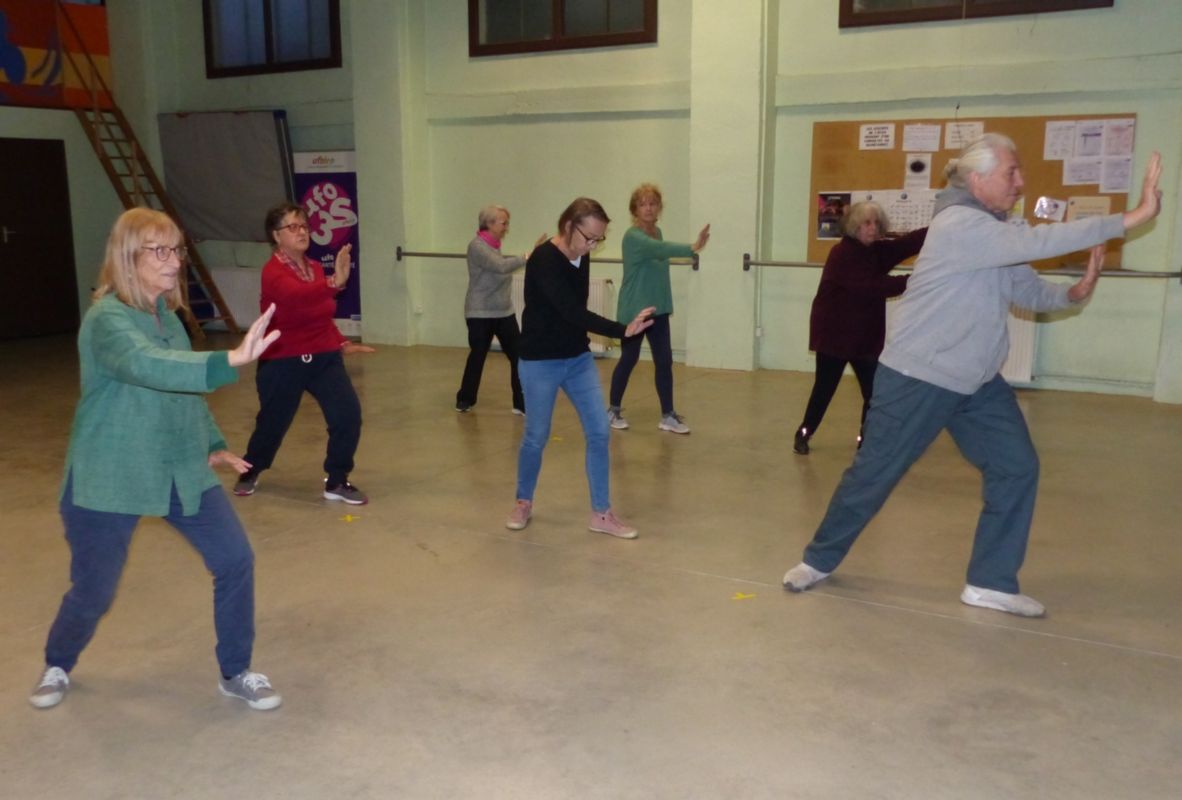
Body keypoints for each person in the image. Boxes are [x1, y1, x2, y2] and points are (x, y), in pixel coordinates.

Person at [783, 135, 1162, 617]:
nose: (1020, 182)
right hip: (919, 373)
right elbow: (1039, 241)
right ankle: (818, 560)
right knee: (874, 475)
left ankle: (989, 582)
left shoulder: (998, 229)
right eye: (1011, 173)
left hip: (977, 380)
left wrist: (1072, 293)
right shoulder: (959, 224)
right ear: (978, 179)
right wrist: (1132, 217)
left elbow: (1025, 288)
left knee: (1016, 466)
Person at [31, 208, 284, 711]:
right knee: (95, 590)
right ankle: (58, 662)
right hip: (111, 471)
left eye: (177, 250)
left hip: (177, 465)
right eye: (160, 250)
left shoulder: (166, 317)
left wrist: (211, 442)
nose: (174, 261)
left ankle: (236, 671)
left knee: (235, 560)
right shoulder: (106, 320)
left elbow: (180, 387)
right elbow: (147, 365)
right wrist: (229, 359)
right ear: (129, 257)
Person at [506, 197, 655, 538]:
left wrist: (616, 330)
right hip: (539, 361)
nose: (593, 246)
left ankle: (601, 513)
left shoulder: (581, 256)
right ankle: (523, 501)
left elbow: (577, 309)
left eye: (599, 240)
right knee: (536, 436)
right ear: (569, 226)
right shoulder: (544, 259)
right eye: (590, 238)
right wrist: (622, 330)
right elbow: (571, 312)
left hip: (577, 360)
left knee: (600, 432)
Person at [233, 202, 367, 505]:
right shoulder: (272, 272)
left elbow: (321, 313)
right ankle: (250, 469)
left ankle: (337, 480)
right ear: (276, 235)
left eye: (305, 226)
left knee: (347, 415)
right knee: (272, 423)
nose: (302, 232)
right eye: (293, 227)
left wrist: (341, 342)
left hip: (323, 356)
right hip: (283, 359)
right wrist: (334, 282)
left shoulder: (315, 268)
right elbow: (297, 297)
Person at [793, 202, 925, 455]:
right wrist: (917, 280)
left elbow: (907, 243)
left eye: (876, 223)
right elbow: (873, 286)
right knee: (824, 389)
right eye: (866, 223)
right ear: (854, 226)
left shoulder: (875, 251)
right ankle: (803, 433)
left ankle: (866, 439)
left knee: (874, 393)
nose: (872, 228)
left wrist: (941, 225)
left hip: (865, 337)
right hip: (835, 336)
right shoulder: (841, 254)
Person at [607, 183, 710, 434]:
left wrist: (665, 304)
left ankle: (668, 415)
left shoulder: (658, 232)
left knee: (664, 361)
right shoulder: (633, 237)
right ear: (634, 210)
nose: (648, 208)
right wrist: (692, 247)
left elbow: (658, 262)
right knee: (629, 359)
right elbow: (659, 250)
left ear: (659, 207)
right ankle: (612, 410)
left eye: (653, 203)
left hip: (658, 309)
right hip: (635, 310)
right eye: (642, 204)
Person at [455, 205, 543, 414]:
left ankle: (520, 403)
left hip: (504, 311)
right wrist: (529, 255)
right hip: (480, 312)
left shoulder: (494, 246)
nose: (506, 227)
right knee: (478, 355)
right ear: (489, 223)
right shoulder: (477, 246)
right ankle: (465, 399)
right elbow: (501, 267)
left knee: (518, 356)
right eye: (504, 223)